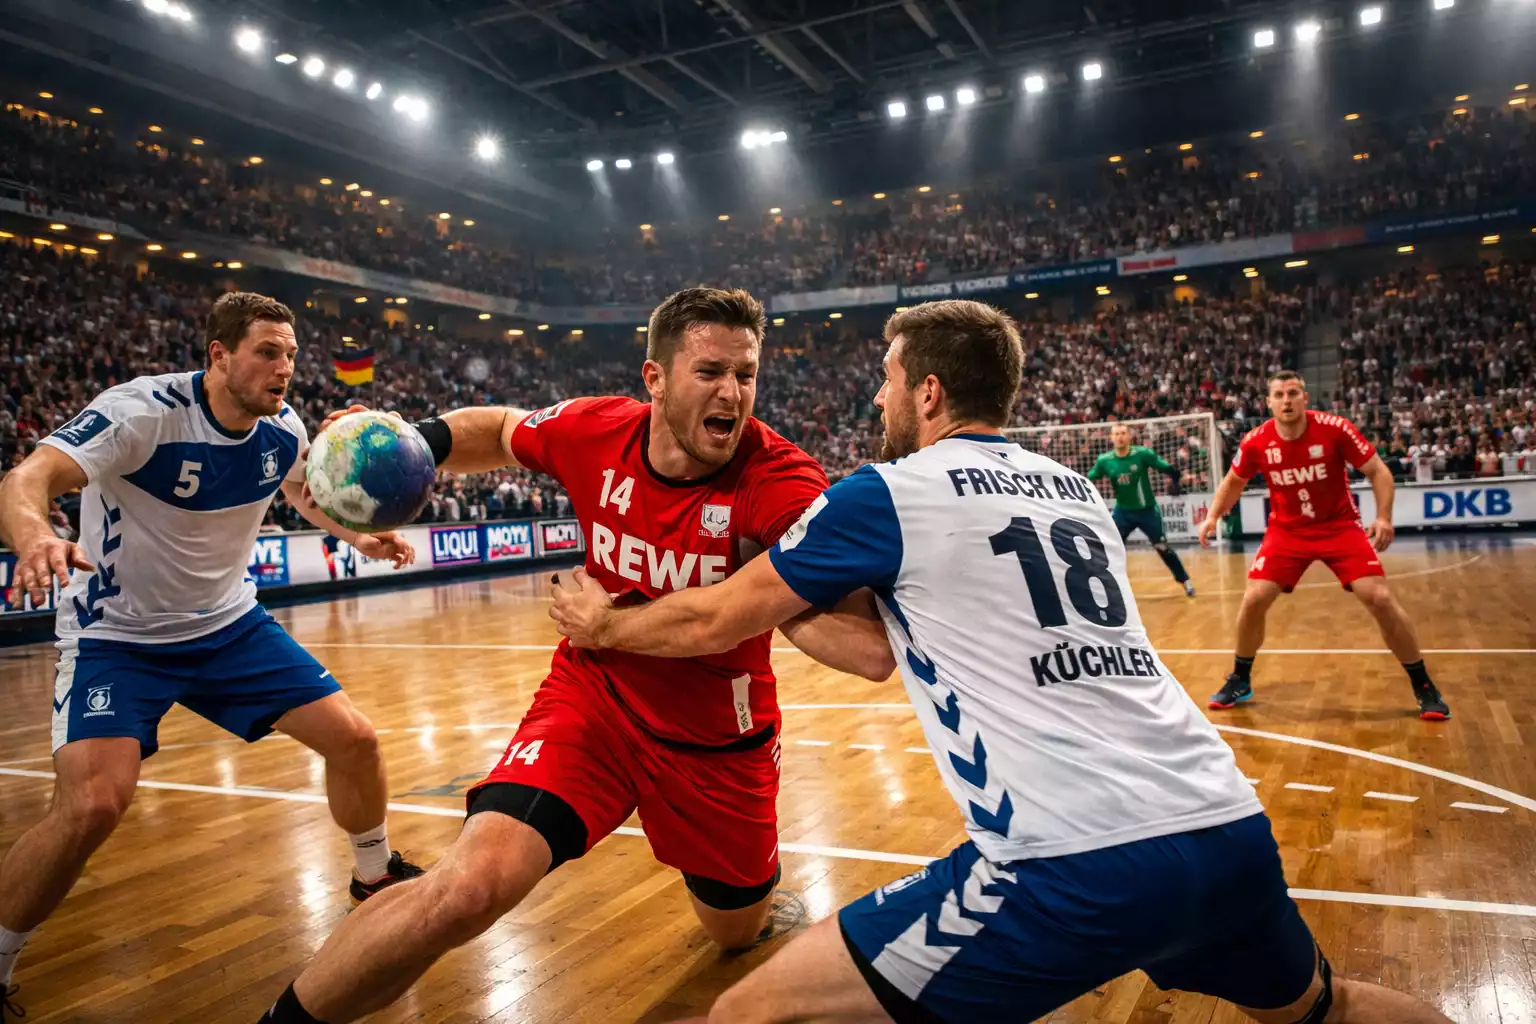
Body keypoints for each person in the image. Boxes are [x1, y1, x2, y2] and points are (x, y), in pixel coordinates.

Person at [546, 298, 1452, 1024]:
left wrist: (605, 626)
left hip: (1068, 862)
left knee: (753, 1010)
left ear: (928, 393)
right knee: (1326, 1009)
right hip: (1224, 825)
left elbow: (716, 617)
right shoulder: (1077, 491)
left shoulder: (886, 494)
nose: (877, 402)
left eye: (887, 382)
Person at [257, 286, 892, 1024]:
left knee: (733, 931)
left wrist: (781, 590)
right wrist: (415, 440)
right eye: (710, 371)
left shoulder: (780, 479)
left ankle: (750, 900)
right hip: (594, 706)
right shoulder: (596, 430)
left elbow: (867, 651)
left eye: (746, 374)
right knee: (467, 888)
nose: (733, 392)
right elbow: (501, 429)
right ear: (655, 379)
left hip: (718, 742)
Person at [0, 292, 423, 1020]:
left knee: (355, 740)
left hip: (229, 628)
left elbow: (303, 491)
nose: (285, 368)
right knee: (93, 805)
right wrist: (36, 535)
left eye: (291, 355)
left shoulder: (282, 428)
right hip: (119, 635)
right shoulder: (141, 413)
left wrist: (357, 536)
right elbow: (26, 477)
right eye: (268, 352)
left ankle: (373, 873)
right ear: (220, 355)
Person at [1198, 371, 1450, 720]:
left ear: (1305, 398)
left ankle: (1423, 684)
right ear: (1269, 403)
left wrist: (1384, 517)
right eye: (1279, 395)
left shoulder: (1335, 428)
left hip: (1339, 526)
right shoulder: (1256, 441)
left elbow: (1378, 471)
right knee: (1254, 599)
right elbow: (1233, 481)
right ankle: (1240, 678)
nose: (1286, 400)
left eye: (1293, 393)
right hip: (1287, 531)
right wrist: (1213, 516)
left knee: (1379, 597)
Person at [1087, 423, 1195, 597]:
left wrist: (1175, 476)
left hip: (1147, 512)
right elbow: (1089, 479)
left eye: (1123, 433)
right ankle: (1106, 587)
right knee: (1111, 547)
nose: (1120, 437)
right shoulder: (1104, 461)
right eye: (1116, 434)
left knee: (1162, 547)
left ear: (1130, 437)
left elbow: (1163, 466)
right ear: (1111, 438)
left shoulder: (1142, 454)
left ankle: (1185, 580)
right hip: (1123, 513)